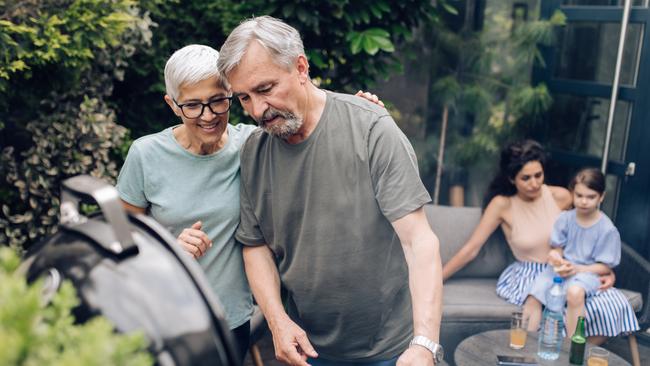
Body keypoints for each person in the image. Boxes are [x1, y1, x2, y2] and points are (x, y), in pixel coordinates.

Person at [115, 44, 383, 362]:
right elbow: (119, 239)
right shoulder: (145, 155)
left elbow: (309, 125)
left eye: (218, 101)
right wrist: (167, 247)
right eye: (193, 106)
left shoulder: (252, 145)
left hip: (229, 321)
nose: (208, 115)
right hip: (163, 318)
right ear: (172, 105)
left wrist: (360, 112)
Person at [218, 16, 444, 366]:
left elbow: (419, 241)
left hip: (392, 352)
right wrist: (278, 322)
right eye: (244, 98)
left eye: (265, 89)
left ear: (301, 67)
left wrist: (424, 343)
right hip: (307, 351)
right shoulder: (253, 153)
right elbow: (255, 245)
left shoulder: (372, 129)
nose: (257, 111)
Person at [441, 140, 638, 343]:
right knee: (550, 307)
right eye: (526, 178)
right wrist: (438, 278)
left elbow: (584, 231)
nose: (534, 183)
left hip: (568, 270)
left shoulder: (561, 196)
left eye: (538, 175)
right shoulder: (502, 204)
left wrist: (605, 271)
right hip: (529, 273)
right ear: (511, 178)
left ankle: (571, 356)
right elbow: (471, 249)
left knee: (610, 304)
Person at [528, 168, 638, 336]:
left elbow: (605, 267)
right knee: (536, 291)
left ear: (601, 196)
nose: (584, 201)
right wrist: (555, 256)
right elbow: (557, 248)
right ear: (572, 193)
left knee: (575, 292)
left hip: (588, 274)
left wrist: (577, 269)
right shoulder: (565, 218)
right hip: (563, 270)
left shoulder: (607, 229)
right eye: (579, 196)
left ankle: (571, 345)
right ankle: (526, 339)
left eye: (590, 197)